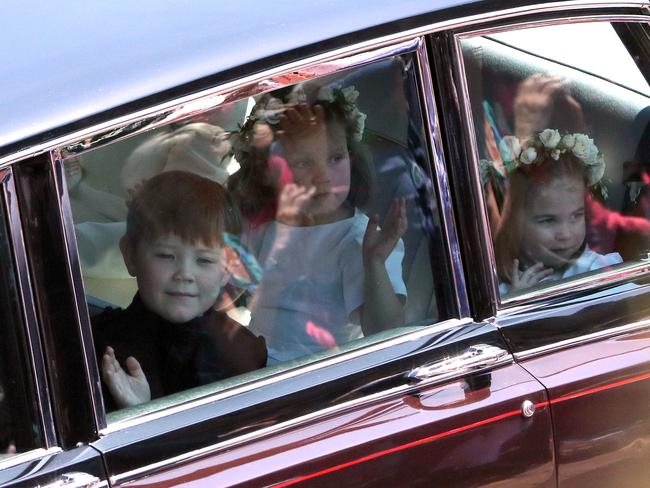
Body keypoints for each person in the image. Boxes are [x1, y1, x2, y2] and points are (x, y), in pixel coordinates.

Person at [232, 82, 407, 364]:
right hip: (255, 364)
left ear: (351, 157)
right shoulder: (263, 225)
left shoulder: (359, 238)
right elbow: (227, 289)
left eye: (335, 158)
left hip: (319, 375)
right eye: (303, 163)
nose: (323, 177)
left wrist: (374, 263)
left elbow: (385, 330)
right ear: (268, 171)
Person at [92, 171, 267, 410]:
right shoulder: (98, 348)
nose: (184, 274)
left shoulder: (243, 354)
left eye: (204, 260)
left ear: (227, 267)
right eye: (166, 255)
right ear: (131, 255)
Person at [493, 129, 623, 294]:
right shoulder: (500, 288)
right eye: (548, 220)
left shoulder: (596, 271)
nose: (566, 234)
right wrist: (515, 298)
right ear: (514, 223)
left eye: (576, 216)